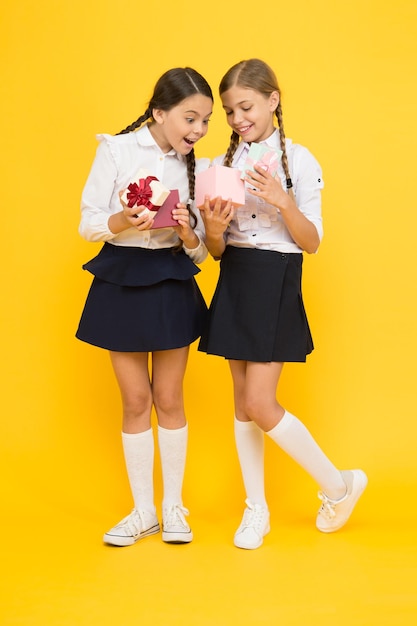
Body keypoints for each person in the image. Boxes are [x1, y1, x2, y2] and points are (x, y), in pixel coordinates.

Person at [198, 59, 367, 550]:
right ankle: (257, 510)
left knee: (259, 401)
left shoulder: (300, 159)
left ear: (273, 100)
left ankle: (339, 485)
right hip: (236, 275)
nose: (236, 119)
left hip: (276, 276)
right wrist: (211, 229)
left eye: (244, 106)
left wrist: (282, 200)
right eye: (229, 111)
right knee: (241, 402)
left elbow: (311, 242)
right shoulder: (219, 166)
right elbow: (217, 250)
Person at [76, 67, 213, 547]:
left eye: (205, 122)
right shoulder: (115, 149)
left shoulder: (199, 165)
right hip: (122, 277)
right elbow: (89, 223)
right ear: (159, 112)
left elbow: (200, 252)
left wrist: (187, 232)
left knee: (170, 399)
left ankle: (174, 507)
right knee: (135, 401)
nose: (197, 131)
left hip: (170, 278)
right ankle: (143, 511)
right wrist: (123, 219)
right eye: (190, 119)